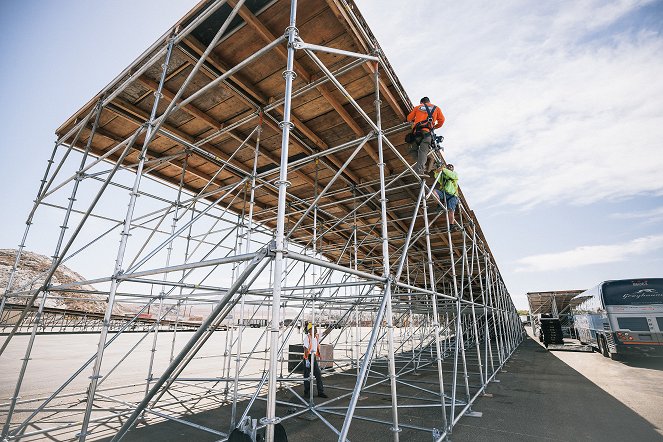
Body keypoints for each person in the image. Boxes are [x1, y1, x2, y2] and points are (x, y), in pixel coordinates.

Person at [406, 97, 445, 176]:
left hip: (417, 133)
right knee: (423, 152)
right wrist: (434, 127)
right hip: (427, 133)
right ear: (429, 101)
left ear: (421, 102)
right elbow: (442, 120)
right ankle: (420, 168)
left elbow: (409, 118)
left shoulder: (418, 107)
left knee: (412, 150)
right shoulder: (436, 108)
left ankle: (421, 165)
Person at [303, 322, 327, 398]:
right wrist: (307, 360)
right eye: (314, 328)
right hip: (308, 357)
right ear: (310, 330)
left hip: (313, 357)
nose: (316, 329)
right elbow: (306, 349)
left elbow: (325, 333)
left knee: (318, 375)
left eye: (316, 328)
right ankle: (306, 392)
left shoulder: (316, 336)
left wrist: (331, 327)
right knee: (307, 376)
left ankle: (320, 392)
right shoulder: (307, 338)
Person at [433, 163, 459, 229]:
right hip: (444, 193)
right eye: (449, 167)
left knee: (451, 210)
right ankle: (439, 204)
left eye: (451, 167)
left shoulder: (455, 175)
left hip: (452, 196)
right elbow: (437, 177)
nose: (450, 168)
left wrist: (443, 168)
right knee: (434, 192)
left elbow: (450, 174)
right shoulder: (444, 176)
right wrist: (437, 171)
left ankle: (451, 225)